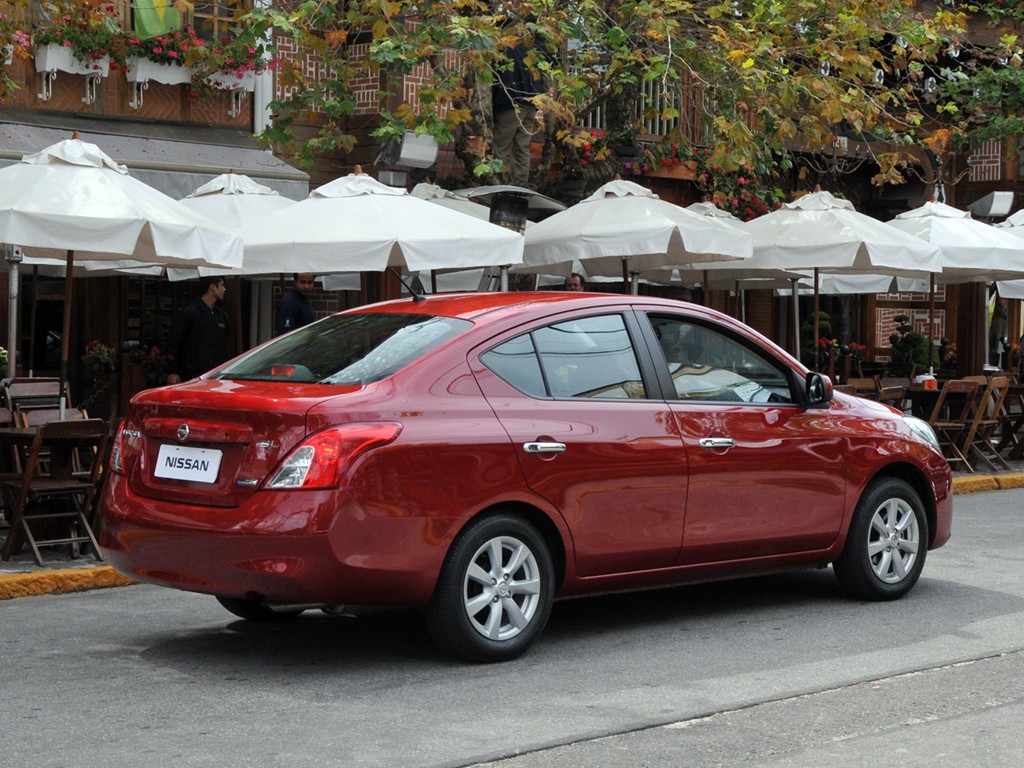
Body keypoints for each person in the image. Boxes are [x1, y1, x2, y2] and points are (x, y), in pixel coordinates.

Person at [492, 42, 545, 187]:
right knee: (522, 146)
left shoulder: (500, 48)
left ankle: (496, 183)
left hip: (511, 103)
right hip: (531, 102)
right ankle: (519, 185)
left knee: (499, 146)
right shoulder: (529, 48)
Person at [164, 277, 229, 385]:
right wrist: (173, 371)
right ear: (212, 287)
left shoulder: (222, 316)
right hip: (191, 373)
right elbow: (174, 342)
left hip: (215, 374)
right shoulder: (189, 313)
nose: (225, 289)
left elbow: (223, 344)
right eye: (222, 285)